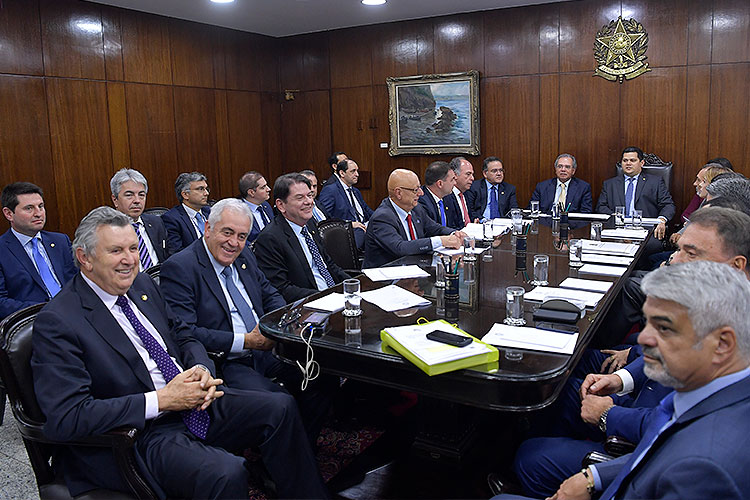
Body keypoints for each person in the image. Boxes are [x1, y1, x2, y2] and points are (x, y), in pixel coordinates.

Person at [31, 206, 328, 499]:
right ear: (85, 258)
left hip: (192, 401)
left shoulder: (142, 284)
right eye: (116, 251)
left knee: (280, 408)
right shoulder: (59, 321)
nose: (130, 260)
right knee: (225, 472)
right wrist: (161, 400)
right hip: (140, 432)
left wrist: (200, 369)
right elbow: (66, 418)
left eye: (133, 248)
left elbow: (184, 334)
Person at [509, 207, 750, 497]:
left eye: (692, 253)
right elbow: (673, 407)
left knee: (530, 457)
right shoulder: (712, 306)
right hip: (639, 404)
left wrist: (608, 423)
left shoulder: (706, 463)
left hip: (632, 441)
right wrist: (623, 379)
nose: (675, 260)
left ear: (736, 264)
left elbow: (668, 428)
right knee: (562, 390)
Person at [159, 198, 333, 440]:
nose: (234, 243)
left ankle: (300, 442)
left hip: (268, 347)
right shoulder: (180, 267)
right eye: (227, 232)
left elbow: (270, 292)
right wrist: (246, 341)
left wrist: (280, 325)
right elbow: (186, 333)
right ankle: (285, 455)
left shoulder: (244, 257)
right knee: (279, 402)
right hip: (229, 360)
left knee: (324, 373)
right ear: (208, 228)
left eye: (242, 236)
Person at [253, 173, 350, 303]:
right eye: (300, 198)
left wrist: (353, 284)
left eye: (310, 195)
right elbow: (282, 288)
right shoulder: (270, 239)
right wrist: (325, 296)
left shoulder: (309, 224)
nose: (309, 202)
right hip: (309, 306)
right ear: (281, 205)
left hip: (335, 297)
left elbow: (328, 264)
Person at [0, 182, 77, 318]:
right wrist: (47, 309)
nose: (38, 213)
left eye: (41, 206)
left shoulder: (60, 241)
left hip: (75, 314)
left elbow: (78, 280)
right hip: (33, 321)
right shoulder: (2, 249)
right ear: (8, 214)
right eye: (29, 208)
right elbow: (2, 303)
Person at [363, 169, 464, 268]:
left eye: (419, 188)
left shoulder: (416, 208)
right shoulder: (382, 217)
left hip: (414, 270)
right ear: (399, 193)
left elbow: (434, 227)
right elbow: (400, 248)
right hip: (384, 277)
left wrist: (454, 233)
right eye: (415, 190)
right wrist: (440, 241)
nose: (421, 193)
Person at [595, 146, 676, 240]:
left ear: (642, 163)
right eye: (625, 160)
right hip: (617, 231)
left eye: (632, 160)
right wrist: (615, 217)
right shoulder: (609, 184)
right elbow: (601, 206)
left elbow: (668, 205)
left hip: (646, 232)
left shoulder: (655, 182)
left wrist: (661, 220)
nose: (628, 163)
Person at [110, 168, 168, 269]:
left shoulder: (156, 222)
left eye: (141, 195)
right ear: (115, 200)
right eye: (129, 195)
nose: (137, 200)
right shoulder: (108, 230)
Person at [162, 172, 211, 254]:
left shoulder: (210, 212)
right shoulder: (172, 219)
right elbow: (177, 252)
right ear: (185, 195)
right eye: (200, 189)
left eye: (206, 189)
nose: (206, 193)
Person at [318, 158, 374, 224]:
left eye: (357, 171)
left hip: (364, 226)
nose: (357, 174)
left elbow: (367, 210)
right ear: (342, 173)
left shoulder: (356, 191)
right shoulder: (330, 191)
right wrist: (349, 224)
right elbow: (325, 218)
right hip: (347, 231)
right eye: (353, 171)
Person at [465, 156, 518, 220]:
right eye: (494, 171)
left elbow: (514, 211)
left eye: (501, 170)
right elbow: (470, 210)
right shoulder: (474, 187)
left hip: (502, 225)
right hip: (481, 224)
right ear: (485, 173)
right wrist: (482, 221)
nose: (499, 174)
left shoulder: (509, 189)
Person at [417, 161, 462, 229]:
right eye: (452, 180)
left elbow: (452, 225)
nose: (455, 183)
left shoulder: (447, 198)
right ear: (440, 184)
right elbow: (431, 231)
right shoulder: (422, 202)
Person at [238, 171, 274, 244]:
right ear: (251, 192)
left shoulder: (266, 205)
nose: (268, 189)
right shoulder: (239, 212)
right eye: (263, 187)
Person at [448, 156, 475, 228]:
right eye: (468, 174)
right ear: (455, 175)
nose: (472, 178)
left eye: (472, 174)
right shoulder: (447, 195)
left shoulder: (466, 193)